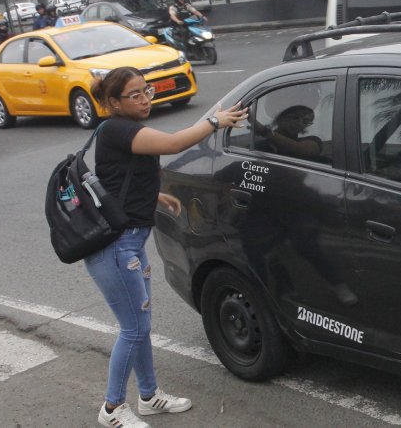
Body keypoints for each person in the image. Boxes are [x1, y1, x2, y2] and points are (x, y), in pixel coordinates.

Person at [87, 66, 247, 428]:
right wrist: (215, 120)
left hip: (130, 242)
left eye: (148, 91)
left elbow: (118, 181)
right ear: (113, 102)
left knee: (140, 325)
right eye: (136, 95)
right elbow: (174, 144)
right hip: (115, 248)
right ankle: (112, 409)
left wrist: (155, 197)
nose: (145, 99)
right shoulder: (118, 129)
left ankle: (148, 396)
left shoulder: (121, 130)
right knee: (132, 328)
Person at [251, 104, 322, 159]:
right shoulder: (259, 144)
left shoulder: (313, 140)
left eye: (305, 121)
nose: (299, 123)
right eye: (294, 117)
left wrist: (263, 130)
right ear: (280, 118)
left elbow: (300, 149)